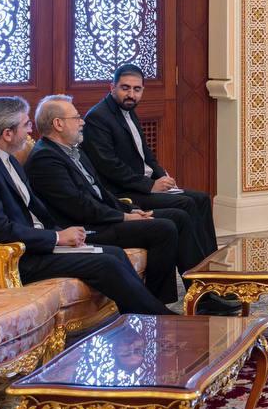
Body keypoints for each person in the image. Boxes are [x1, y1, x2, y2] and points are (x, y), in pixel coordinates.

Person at [0, 96, 174, 316]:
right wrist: (57, 239)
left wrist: (61, 234)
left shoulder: (6, 158)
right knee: (106, 263)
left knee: (114, 254)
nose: (31, 130)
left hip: (40, 242)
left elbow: (36, 210)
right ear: (7, 134)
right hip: (17, 258)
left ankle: (146, 320)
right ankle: (163, 321)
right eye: (26, 124)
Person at [25, 95, 240, 316]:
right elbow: (80, 208)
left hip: (105, 216)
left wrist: (129, 210)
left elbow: (100, 192)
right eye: (76, 117)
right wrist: (124, 218)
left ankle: (200, 295)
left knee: (179, 216)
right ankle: (155, 306)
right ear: (58, 124)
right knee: (162, 228)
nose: (82, 122)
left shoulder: (73, 151)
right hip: (85, 227)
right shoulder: (46, 160)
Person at [82, 64, 218, 271]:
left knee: (201, 199)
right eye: (125, 88)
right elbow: (109, 166)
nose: (131, 94)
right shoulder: (98, 117)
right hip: (122, 192)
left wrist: (162, 176)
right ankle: (197, 278)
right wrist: (150, 185)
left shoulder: (128, 111)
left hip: (141, 185)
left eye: (137, 89)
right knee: (186, 204)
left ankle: (212, 273)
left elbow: (146, 154)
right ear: (112, 88)